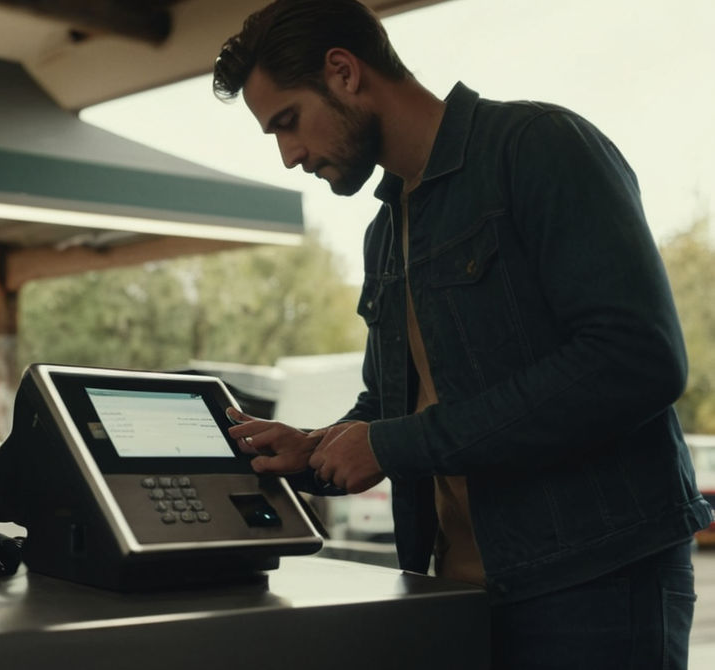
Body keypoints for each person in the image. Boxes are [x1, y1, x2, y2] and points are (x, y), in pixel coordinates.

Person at [213, 1, 712, 668]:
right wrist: (311, 449)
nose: (289, 155)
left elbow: (636, 359)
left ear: (344, 73)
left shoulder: (537, 147)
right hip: (455, 590)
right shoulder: (386, 233)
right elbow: (399, 406)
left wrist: (393, 443)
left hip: (592, 583)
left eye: (287, 122)